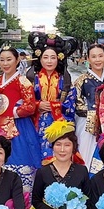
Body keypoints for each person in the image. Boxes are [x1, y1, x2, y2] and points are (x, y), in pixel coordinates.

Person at [0, 45, 42, 190]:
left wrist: (9, 111)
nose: (5, 63)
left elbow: (30, 106)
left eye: (9, 59)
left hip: (19, 127)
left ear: (17, 60)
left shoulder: (23, 81)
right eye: (2, 60)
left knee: (20, 159)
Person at [30, 33, 77, 161]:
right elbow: (24, 101)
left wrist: (53, 106)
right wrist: (38, 105)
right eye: (45, 57)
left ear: (58, 59)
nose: (49, 61)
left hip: (58, 124)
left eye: (53, 57)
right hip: (35, 124)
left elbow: (71, 103)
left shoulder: (65, 80)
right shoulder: (31, 79)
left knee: (58, 156)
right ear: (40, 59)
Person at [72, 43, 104, 174]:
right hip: (87, 125)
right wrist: (96, 113)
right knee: (86, 156)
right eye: (93, 57)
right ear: (88, 59)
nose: (97, 60)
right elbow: (76, 104)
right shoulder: (81, 80)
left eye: (100, 56)